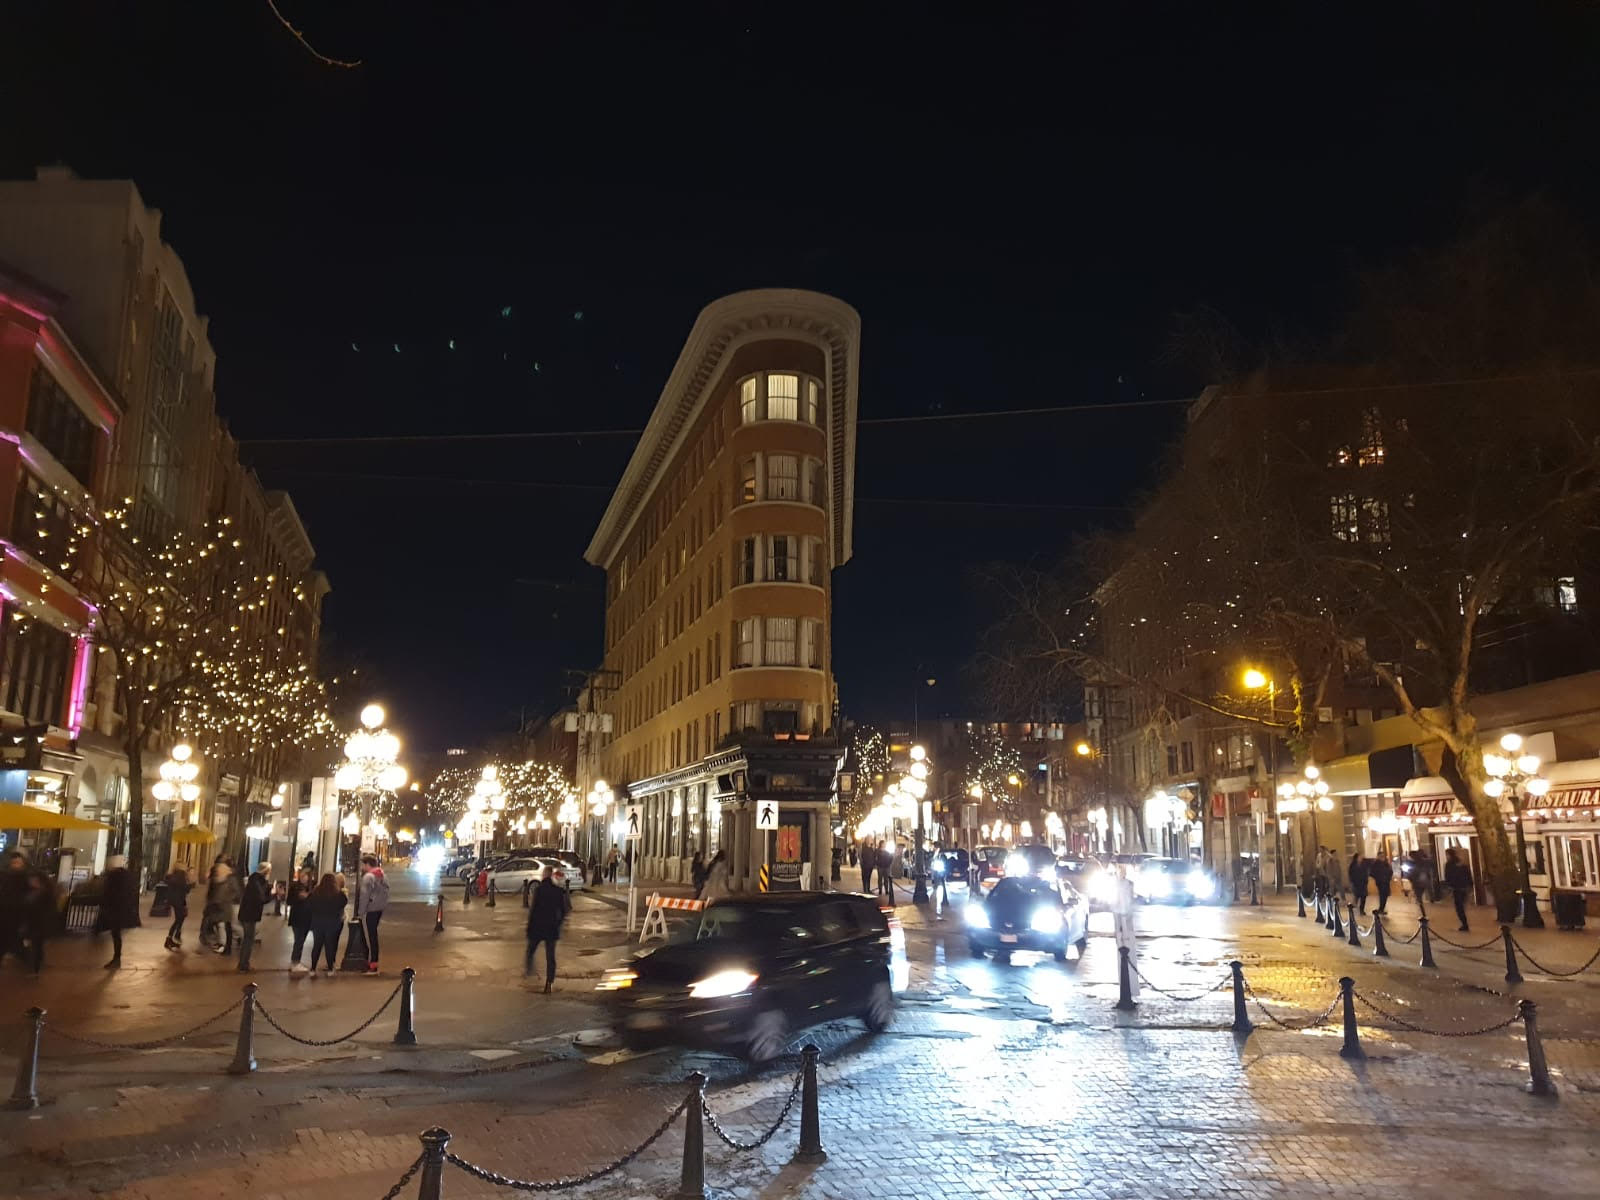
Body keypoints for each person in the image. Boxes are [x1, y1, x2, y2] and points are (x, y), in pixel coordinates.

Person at [524, 864, 571, 993]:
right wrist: (558, 923)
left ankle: (529, 971)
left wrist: (529, 927)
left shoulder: (539, 890)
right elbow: (564, 910)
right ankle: (549, 982)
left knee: (531, 950)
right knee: (550, 957)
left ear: (545, 874)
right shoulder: (558, 891)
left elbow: (533, 910)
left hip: (538, 926)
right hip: (552, 927)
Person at [97, 855, 140, 970]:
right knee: (116, 933)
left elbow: (107, 892)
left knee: (116, 933)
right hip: (121, 909)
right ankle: (117, 958)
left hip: (115, 908)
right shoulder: (127, 877)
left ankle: (116, 958)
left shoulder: (113, 877)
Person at [307, 873, 347, 977]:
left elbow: (309, 904)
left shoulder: (315, 892)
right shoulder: (337, 893)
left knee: (317, 946)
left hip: (318, 923)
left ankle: (313, 969)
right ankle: (330, 969)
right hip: (332, 923)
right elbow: (344, 902)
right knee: (329, 946)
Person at [356, 854, 389, 975]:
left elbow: (364, 896)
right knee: (373, 935)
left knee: (370, 937)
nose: (362, 867)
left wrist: (360, 913)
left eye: (363, 865)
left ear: (367, 864)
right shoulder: (382, 875)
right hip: (379, 909)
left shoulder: (368, 877)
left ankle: (372, 964)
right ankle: (374, 962)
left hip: (370, 910)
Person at [1111, 864, 1140, 1000]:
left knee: (1129, 954)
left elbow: (1130, 903)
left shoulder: (1129, 884)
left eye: (1122, 870)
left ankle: (1131, 990)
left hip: (1127, 923)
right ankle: (1126, 992)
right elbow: (1114, 903)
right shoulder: (1114, 885)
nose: (1121, 872)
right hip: (1119, 922)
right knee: (1122, 956)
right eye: (1119, 870)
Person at [237, 861, 272, 973]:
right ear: (266, 871)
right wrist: (272, 893)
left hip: (248, 914)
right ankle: (243, 965)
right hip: (249, 914)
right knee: (248, 940)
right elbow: (261, 899)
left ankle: (243, 963)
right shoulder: (256, 881)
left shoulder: (255, 880)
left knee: (248, 939)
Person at [0, 852, 29, 968]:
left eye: (18, 862)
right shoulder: (5, 876)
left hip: (16, 914)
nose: (15, 865)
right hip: (6, 912)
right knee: (8, 939)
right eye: (14, 862)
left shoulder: (26, 877)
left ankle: (30, 960)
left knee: (14, 939)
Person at [286, 868, 315, 973]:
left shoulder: (311, 888)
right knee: (299, 940)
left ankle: (296, 961)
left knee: (300, 940)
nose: (303, 878)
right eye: (301, 875)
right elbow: (289, 901)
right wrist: (299, 898)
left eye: (305, 875)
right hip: (297, 917)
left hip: (307, 918)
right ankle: (295, 962)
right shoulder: (295, 887)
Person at [162, 865, 193, 951]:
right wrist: (191, 884)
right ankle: (170, 939)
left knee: (179, 919)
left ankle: (173, 937)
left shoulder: (174, 876)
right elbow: (185, 889)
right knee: (179, 919)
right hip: (178, 901)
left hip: (175, 901)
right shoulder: (181, 876)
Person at [1444, 847, 1474, 931]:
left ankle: (1464, 924)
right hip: (1464, 887)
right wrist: (1470, 885)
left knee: (1459, 907)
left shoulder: (1449, 864)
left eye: (1447, 855)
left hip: (1456, 888)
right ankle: (1464, 923)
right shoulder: (1461, 863)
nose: (1446, 856)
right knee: (1461, 906)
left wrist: (1449, 885)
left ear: (1449, 855)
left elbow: (1448, 876)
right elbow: (1468, 874)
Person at [1368, 850, 1394, 915]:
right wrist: (1378, 877)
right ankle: (1381, 909)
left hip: (1386, 881)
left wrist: (1389, 876)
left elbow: (1390, 871)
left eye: (1383, 856)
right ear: (1378, 856)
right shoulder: (1376, 864)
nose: (1382, 857)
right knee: (1382, 895)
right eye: (1381, 856)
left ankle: (1382, 908)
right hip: (1380, 882)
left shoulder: (1386, 863)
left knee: (1385, 895)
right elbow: (1371, 872)